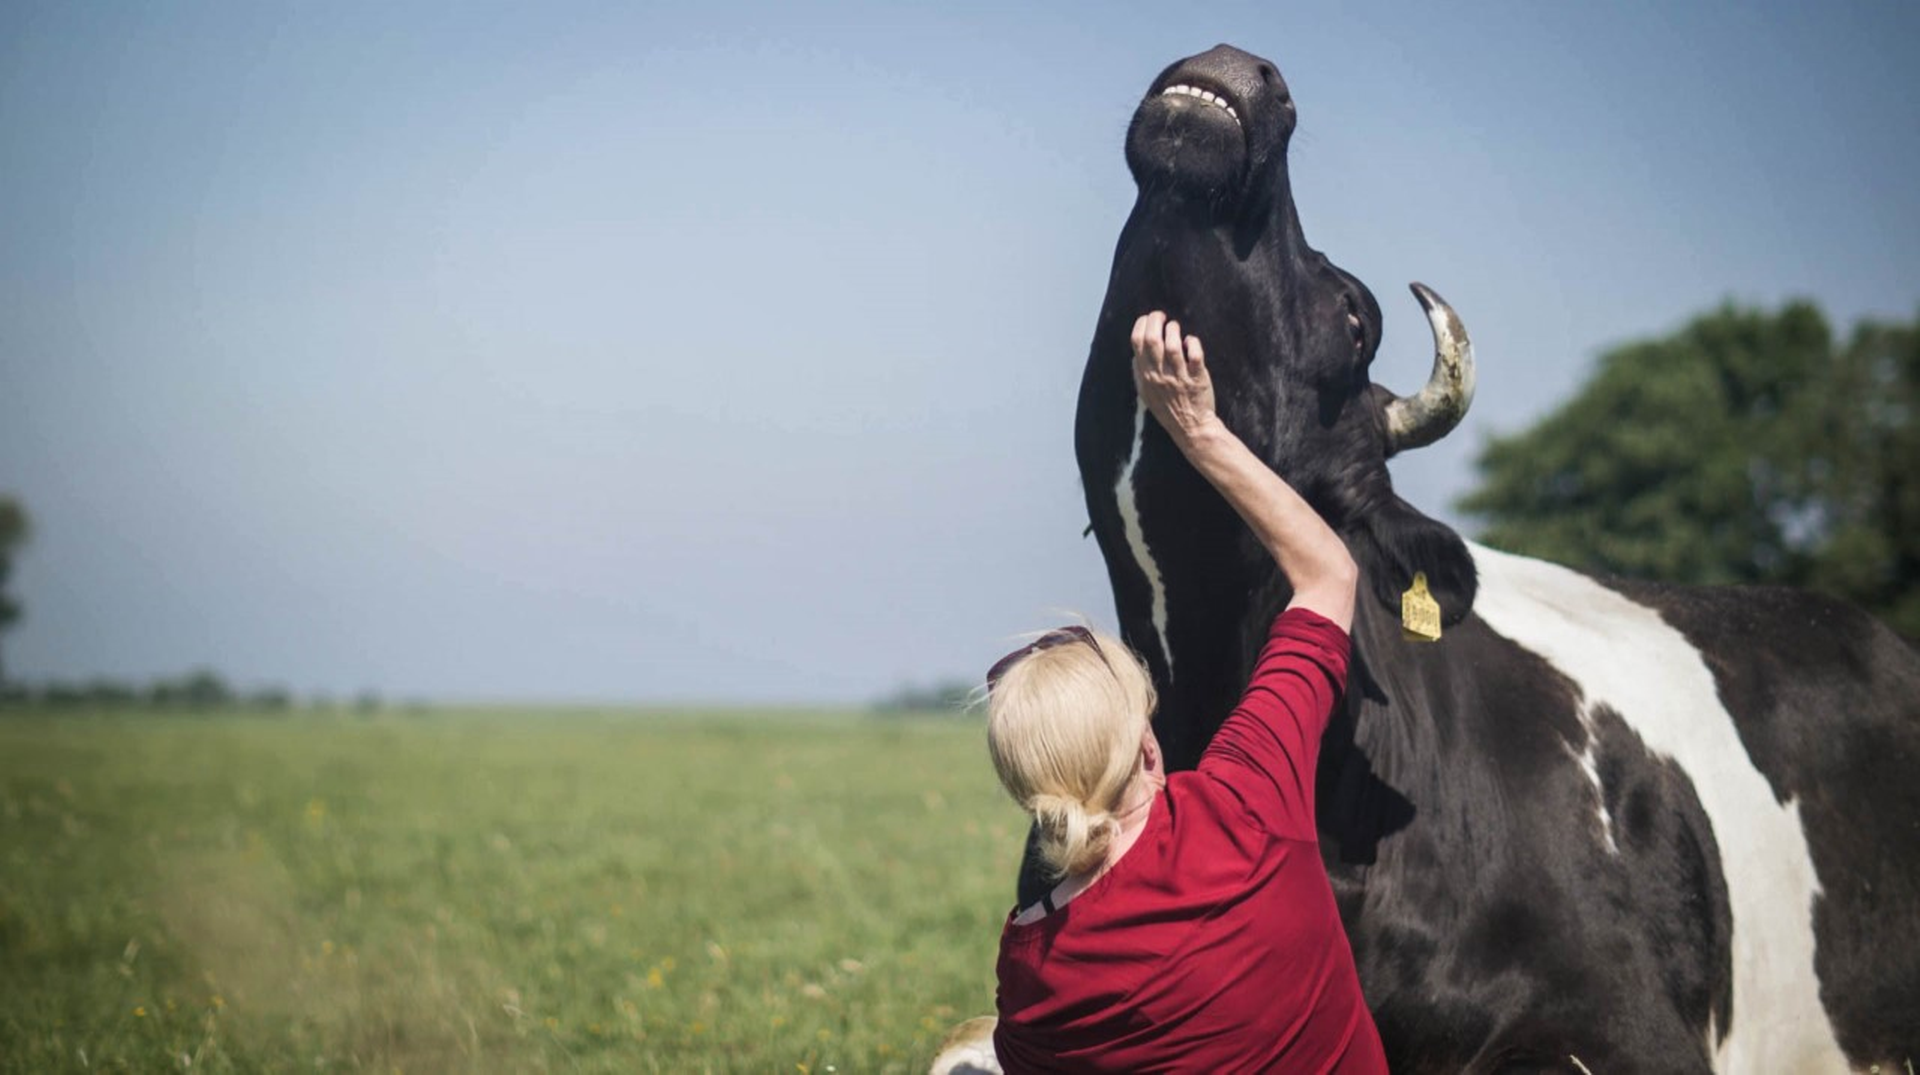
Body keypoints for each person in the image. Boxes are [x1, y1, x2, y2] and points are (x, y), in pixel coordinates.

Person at [983, 312, 1386, 1073]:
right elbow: (1328, 576)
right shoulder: (1245, 809)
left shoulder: (1030, 969)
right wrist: (1200, 432)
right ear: (1146, 745)